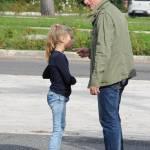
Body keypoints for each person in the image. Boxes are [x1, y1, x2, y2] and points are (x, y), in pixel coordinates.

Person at [76, 0, 136, 150]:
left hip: (110, 77)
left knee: (109, 122)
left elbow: (103, 50)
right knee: (113, 120)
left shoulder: (104, 15)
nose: (85, 2)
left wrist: (96, 80)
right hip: (119, 73)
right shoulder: (113, 11)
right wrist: (91, 52)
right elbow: (112, 44)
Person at [42, 24, 76, 150]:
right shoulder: (60, 57)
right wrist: (74, 80)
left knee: (60, 127)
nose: (71, 39)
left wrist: (55, 74)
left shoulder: (54, 56)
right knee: (58, 130)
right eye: (70, 37)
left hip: (56, 95)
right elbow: (67, 78)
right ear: (62, 38)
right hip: (58, 97)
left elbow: (45, 74)